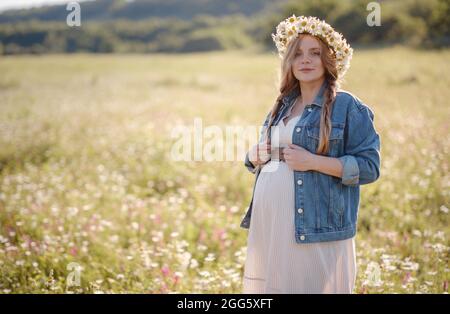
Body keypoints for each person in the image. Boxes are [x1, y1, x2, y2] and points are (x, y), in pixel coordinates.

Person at [240, 15, 381, 294]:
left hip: (314, 225)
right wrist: (253, 156)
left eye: (314, 53)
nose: (305, 60)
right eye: (298, 54)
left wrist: (313, 162)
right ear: (289, 62)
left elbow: (369, 167)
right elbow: (262, 156)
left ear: (329, 60)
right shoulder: (281, 105)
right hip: (271, 222)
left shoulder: (346, 105)